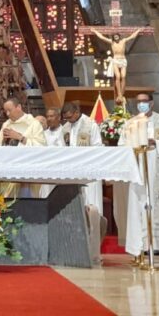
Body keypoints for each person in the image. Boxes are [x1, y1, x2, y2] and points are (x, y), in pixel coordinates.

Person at [118, 92, 159, 257]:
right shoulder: (131, 123)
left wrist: (156, 143)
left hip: (158, 165)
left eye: (144, 101)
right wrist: (134, 146)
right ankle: (141, 243)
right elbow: (121, 144)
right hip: (138, 167)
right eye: (138, 102)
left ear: (151, 103)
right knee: (140, 203)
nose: (141, 104)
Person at [60, 102, 105, 265]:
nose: (68, 120)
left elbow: (98, 147)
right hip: (73, 173)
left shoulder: (90, 125)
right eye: (65, 118)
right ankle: (77, 246)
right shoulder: (65, 128)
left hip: (90, 173)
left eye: (70, 116)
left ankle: (94, 250)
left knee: (92, 209)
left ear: (77, 112)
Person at [0, 97, 46, 198]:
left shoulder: (33, 124)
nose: (8, 114)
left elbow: (41, 147)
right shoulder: (7, 124)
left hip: (27, 171)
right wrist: (3, 141)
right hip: (7, 169)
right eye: (6, 111)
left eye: (10, 110)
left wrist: (20, 138)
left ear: (19, 107)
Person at [91, 28, 141, 103]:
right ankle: (119, 94)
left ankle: (122, 94)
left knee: (123, 77)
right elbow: (102, 37)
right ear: (113, 37)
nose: (116, 37)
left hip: (123, 60)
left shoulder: (123, 41)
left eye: (117, 36)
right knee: (118, 76)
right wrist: (95, 31)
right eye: (114, 37)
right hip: (115, 60)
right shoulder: (112, 42)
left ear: (119, 36)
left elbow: (132, 37)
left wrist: (138, 31)